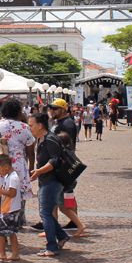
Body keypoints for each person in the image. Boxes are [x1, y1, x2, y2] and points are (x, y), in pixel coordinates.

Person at [0, 99, 35, 226]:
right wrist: (31, 167)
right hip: (18, 164)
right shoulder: (24, 127)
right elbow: (30, 150)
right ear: (18, 112)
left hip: (0, 163)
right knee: (18, 190)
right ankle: (19, 218)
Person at [28, 113, 69, 257]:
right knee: (47, 212)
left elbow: (54, 161)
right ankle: (62, 236)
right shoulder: (42, 139)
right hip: (47, 180)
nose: (30, 128)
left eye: (31, 125)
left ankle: (51, 247)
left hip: (52, 181)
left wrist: (38, 171)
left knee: (45, 213)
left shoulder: (50, 139)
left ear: (40, 125)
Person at [48, 98, 86, 235]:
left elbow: (66, 144)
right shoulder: (60, 122)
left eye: (54, 108)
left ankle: (70, 221)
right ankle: (73, 221)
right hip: (60, 162)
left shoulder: (68, 124)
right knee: (68, 194)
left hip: (63, 163)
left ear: (63, 110)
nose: (51, 111)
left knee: (62, 195)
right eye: (51, 108)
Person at [0, 154, 22, 262]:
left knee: (1, 232)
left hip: (9, 209)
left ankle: (2, 253)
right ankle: (15, 253)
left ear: (6, 167)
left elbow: (12, 193)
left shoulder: (13, 177)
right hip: (10, 208)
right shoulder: (9, 176)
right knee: (11, 232)